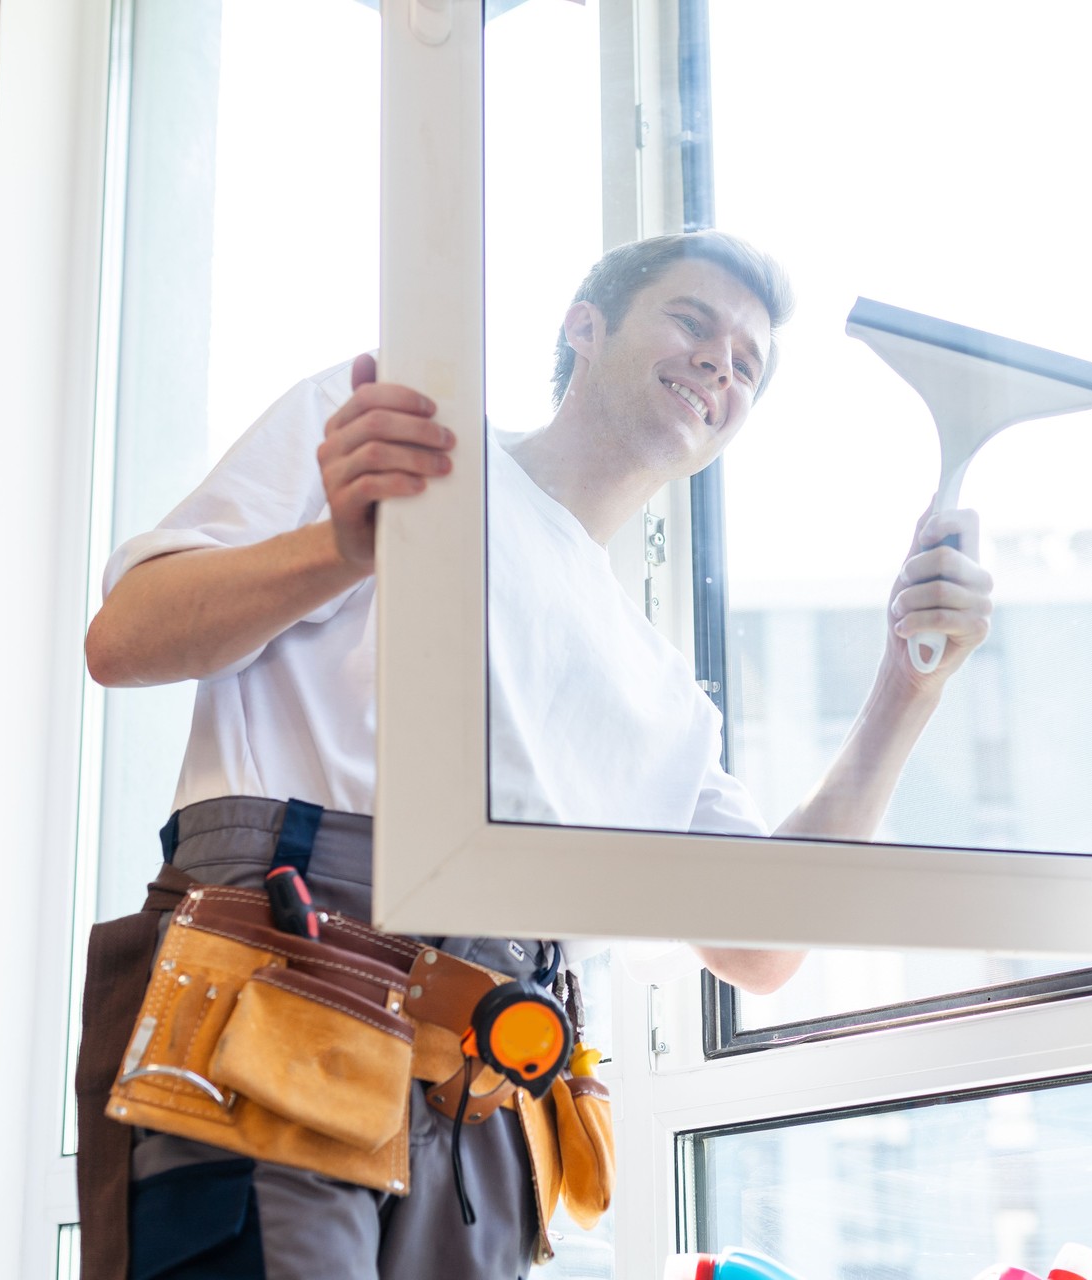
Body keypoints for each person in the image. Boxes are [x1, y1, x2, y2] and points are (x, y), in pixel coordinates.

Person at [80, 231, 994, 1280]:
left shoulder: (663, 694)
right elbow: (128, 637)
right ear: (584, 327)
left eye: (748, 363)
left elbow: (762, 945)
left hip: (491, 1088)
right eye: (694, 321)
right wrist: (342, 547)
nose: (720, 364)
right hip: (292, 995)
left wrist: (906, 686)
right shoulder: (404, 447)